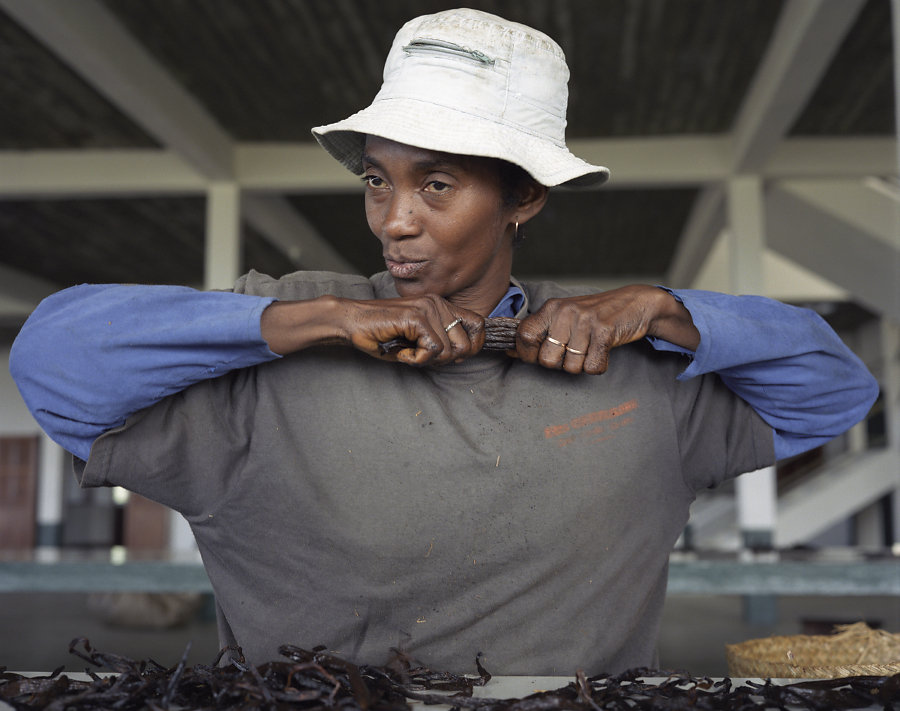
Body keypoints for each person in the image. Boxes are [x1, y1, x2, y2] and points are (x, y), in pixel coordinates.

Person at [10, 8, 878, 675]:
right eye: (377, 182)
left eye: (436, 184)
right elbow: (53, 360)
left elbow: (837, 389)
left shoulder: (640, 370)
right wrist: (326, 320)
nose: (395, 222)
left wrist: (660, 308)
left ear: (526, 196)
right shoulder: (276, 351)